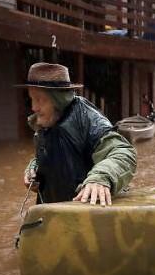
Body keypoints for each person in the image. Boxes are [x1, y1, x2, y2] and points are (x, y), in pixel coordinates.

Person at [18, 62, 136, 206]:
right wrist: (34, 169)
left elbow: (123, 152)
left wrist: (100, 178)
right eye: (32, 99)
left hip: (89, 214)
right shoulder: (45, 122)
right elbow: (46, 157)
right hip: (55, 215)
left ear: (58, 100)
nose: (34, 107)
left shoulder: (86, 118)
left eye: (40, 99)